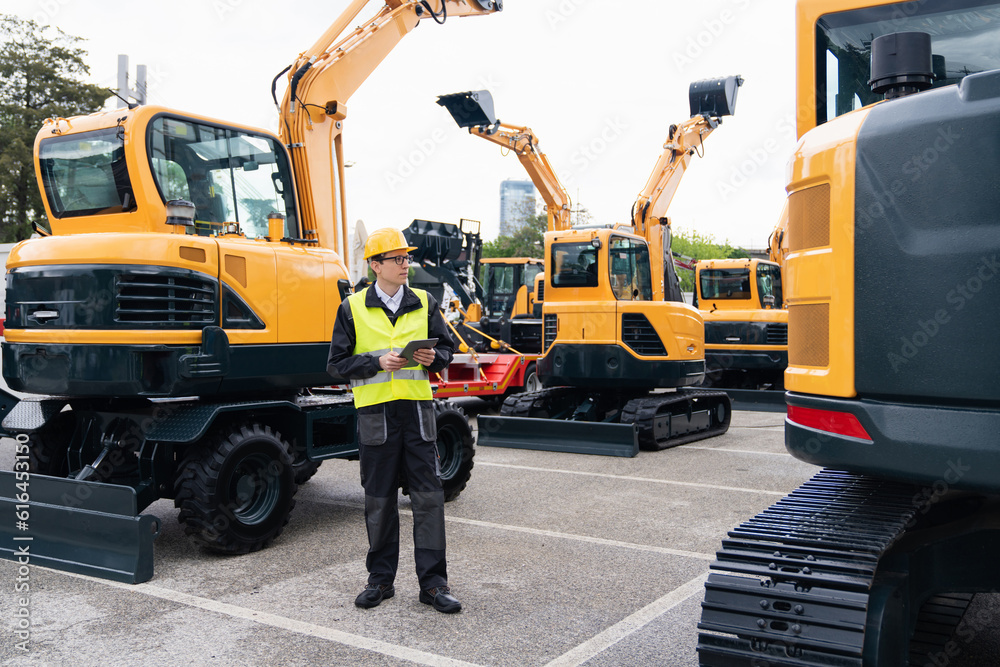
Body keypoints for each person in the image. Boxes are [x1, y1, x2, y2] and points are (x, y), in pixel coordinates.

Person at [327, 227, 461, 614]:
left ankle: (434, 585)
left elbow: (447, 351)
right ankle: (380, 581)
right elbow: (335, 365)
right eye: (398, 259)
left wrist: (433, 359)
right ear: (375, 265)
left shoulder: (424, 301)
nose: (406, 264)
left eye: (407, 258)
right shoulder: (351, 307)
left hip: (417, 415)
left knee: (429, 501)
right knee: (379, 501)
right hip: (375, 417)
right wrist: (375, 362)